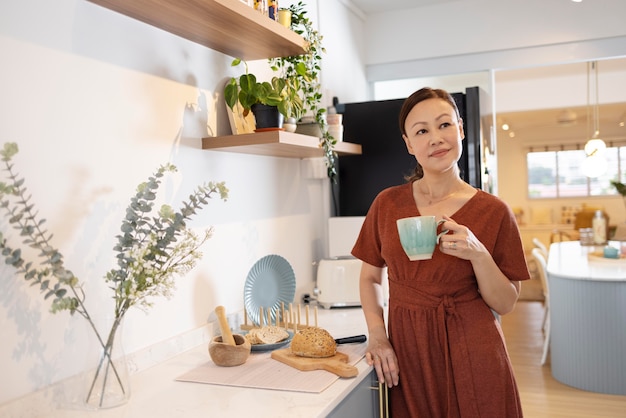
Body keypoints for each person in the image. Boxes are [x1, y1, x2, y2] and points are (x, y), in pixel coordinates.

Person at [351, 87, 530, 417]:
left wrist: (478, 253)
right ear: (408, 143)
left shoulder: (494, 211)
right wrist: (378, 336)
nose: (436, 138)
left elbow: (506, 302)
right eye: (422, 131)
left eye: (444, 125)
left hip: (475, 349)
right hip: (409, 350)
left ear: (461, 129)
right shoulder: (386, 204)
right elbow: (370, 278)